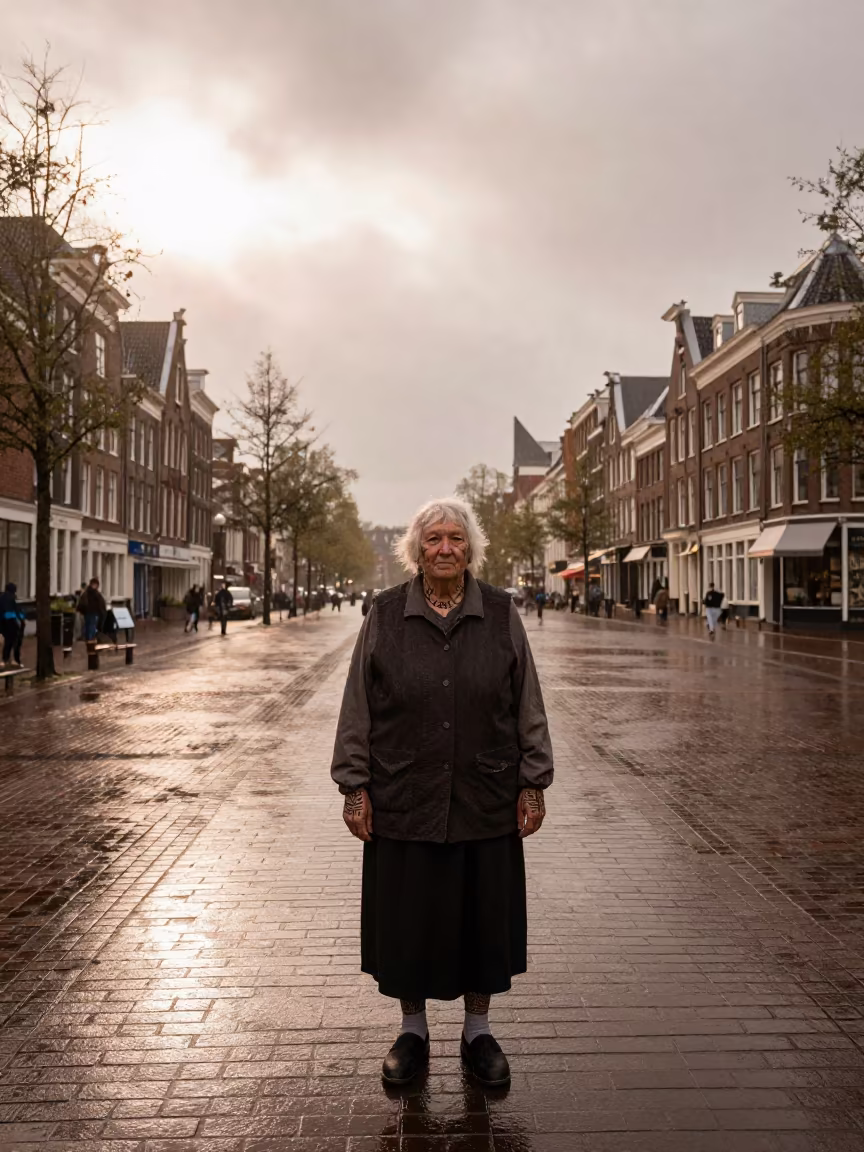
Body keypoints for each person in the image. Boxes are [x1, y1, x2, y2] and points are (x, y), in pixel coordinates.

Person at [332, 497, 553, 1089]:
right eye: (434, 539)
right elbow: (357, 705)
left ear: (471, 548)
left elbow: (527, 702)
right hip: (403, 792)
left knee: (483, 919)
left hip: (485, 792)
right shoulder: (382, 614)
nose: (446, 548)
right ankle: (413, 1031)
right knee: (408, 920)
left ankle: (478, 1032)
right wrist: (354, 785)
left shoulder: (503, 613)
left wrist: (533, 780)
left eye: (456, 538)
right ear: (417, 549)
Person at [0, 582, 25, 668]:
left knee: (8, 642)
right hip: (12, 623)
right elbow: (18, 611)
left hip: (3, 624)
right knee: (16, 642)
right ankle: (16, 660)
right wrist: (22, 620)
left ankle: (5, 659)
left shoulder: (1, 598)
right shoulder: (13, 598)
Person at [77, 578, 106, 642]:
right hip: (92, 612)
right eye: (95, 585)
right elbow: (100, 603)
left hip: (90, 612)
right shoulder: (94, 593)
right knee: (91, 627)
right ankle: (90, 641)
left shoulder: (88, 592)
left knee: (89, 627)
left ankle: (89, 640)